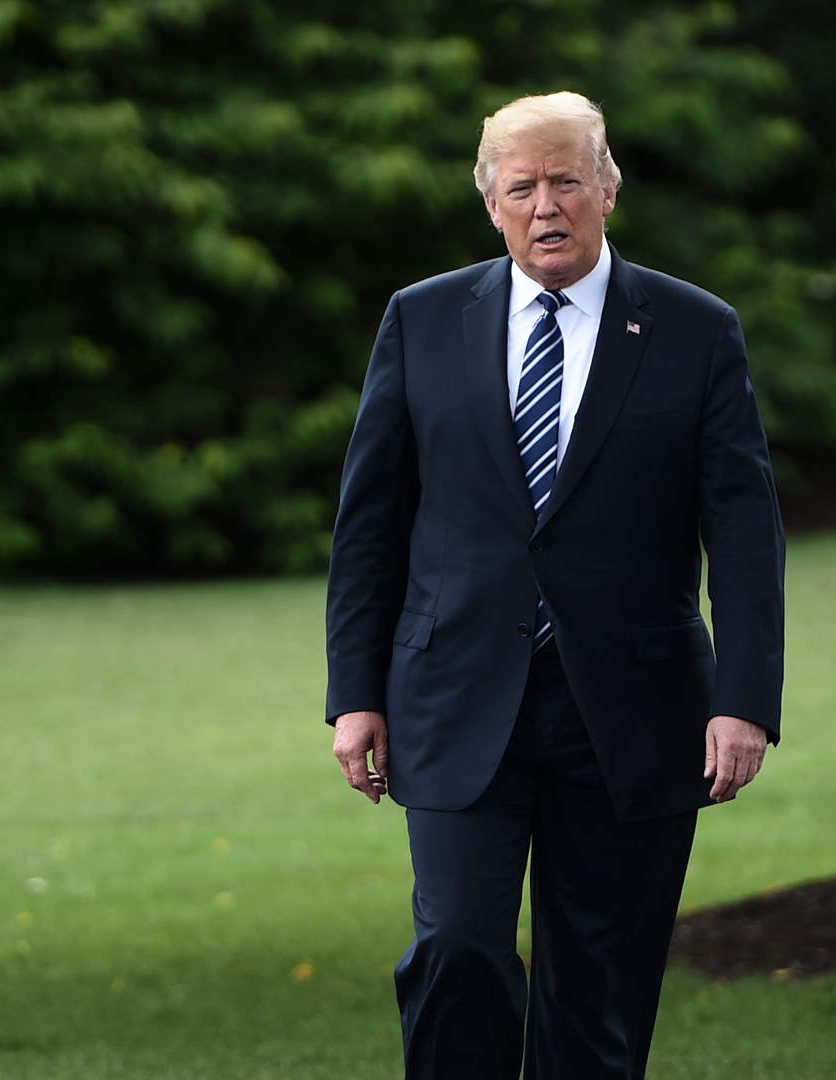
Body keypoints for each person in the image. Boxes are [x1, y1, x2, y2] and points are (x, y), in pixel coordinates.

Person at [323, 90, 786, 1080]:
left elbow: (744, 533)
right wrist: (354, 694)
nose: (547, 206)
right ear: (490, 202)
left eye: (567, 181)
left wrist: (743, 702)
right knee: (456, 947)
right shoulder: (423, 319)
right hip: (452, 699)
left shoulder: (695, 331)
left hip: (632, 707)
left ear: (608, 190)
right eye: (522, 186)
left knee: (599, 993)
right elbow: (371, 526)